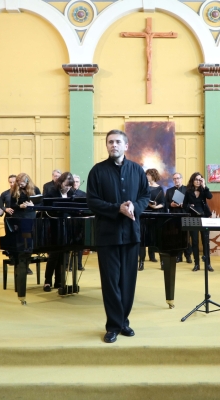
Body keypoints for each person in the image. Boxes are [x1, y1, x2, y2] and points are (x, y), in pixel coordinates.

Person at [86, 129, 150, 344]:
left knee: (128, 282)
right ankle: (113, 325)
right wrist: (117, 208)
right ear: (106, 146)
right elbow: (92, 201)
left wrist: (135, 206)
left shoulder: (137, 170)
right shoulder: (97, 171)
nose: (113, 145)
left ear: (126, 146)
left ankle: (124, 321)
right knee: (111, 282)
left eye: (117, 142)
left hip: (131, 234)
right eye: (110, 142)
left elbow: (145, 196)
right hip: (108, 235)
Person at [42, 172, 75, 292]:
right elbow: (47, 211)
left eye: (70, 186)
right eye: (66, 185)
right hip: (54, 228)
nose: (68, 188)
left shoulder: (71, 194)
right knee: (53, 255)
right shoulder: (52, 193)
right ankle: (47, 281)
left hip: (67, 228)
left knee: (63, 255)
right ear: (60, 183)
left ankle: (59, 281)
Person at [183, 172, 213, 272]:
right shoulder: (188, 191)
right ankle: (196, 264)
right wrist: (189, 206)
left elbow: (210, 196)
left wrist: (204, 185)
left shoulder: (204, 190)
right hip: (193, 218)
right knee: (195, 242)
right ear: (192, 180)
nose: (198, 181)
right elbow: (184, 205)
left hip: (204, 217)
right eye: (196, 179)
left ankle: (208, 264)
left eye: (200, 180)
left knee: (205, 241)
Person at [139, 168, 165, 270]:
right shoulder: (143, 187)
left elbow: (163, 203)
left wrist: (155, 207)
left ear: (153, 176)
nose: (146, 176)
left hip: (155, 215)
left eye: (148, 175)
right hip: (144, 215)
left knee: (158, 239)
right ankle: (141, 262)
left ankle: (162, 262)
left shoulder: (159, 189)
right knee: (142, 239)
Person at [165, 172, 192, 263]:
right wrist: (170, 204)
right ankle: (178, 256)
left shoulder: (187, 190)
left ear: (181, 179)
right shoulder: (169, 191)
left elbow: (190, 204)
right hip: (174, 216)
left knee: (186, 236)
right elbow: (165, 204)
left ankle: (188, 256)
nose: (176, 180)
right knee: (176, 236)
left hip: (184, 215)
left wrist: (182, 205)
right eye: (174, 179)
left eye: (178, 178)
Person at [72, 174, 86, 270]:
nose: (75, 183)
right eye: (73, 181)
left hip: (80, 220)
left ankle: (79, 264)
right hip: (70, 220)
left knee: (80, 243)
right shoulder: (68, 193)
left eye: (77, 181)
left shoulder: (83, 194)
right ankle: (68, 265)